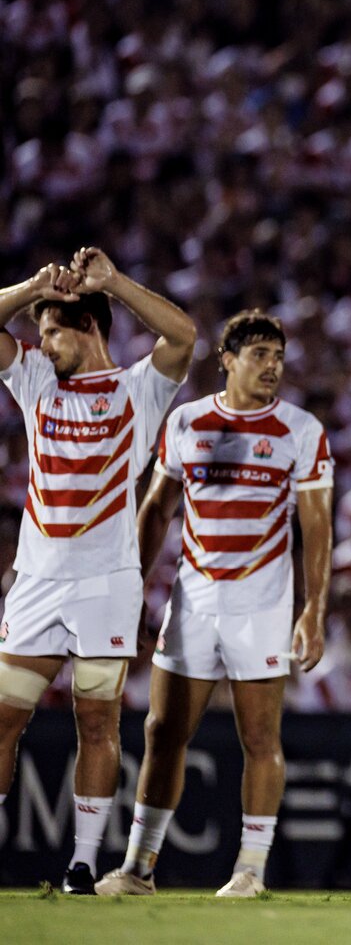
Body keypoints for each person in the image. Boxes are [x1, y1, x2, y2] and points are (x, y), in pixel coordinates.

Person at [94, 310, 334, 898]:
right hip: (193, 602)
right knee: (162, 730)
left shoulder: (301, 430)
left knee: (260, 738)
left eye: (278, 357)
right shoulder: (187, 421)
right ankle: (138, 869)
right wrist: (132, 586)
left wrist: (314, 609)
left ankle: (250, 870)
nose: (272, 367)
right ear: (227, 360)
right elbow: (157, 508)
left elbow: (317, 525)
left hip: (263, 605)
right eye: (259, 355)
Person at [0, 248, 195, 893]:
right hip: (36, 580)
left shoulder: (138, 389)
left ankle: (82, 865)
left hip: (106, 584)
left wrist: (114, 284)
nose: (41, 344)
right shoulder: (35, 379)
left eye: (51, 331)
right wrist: (34, 288)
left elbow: (184, 336)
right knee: (3, 719)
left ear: (87, 327)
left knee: (98, 722)